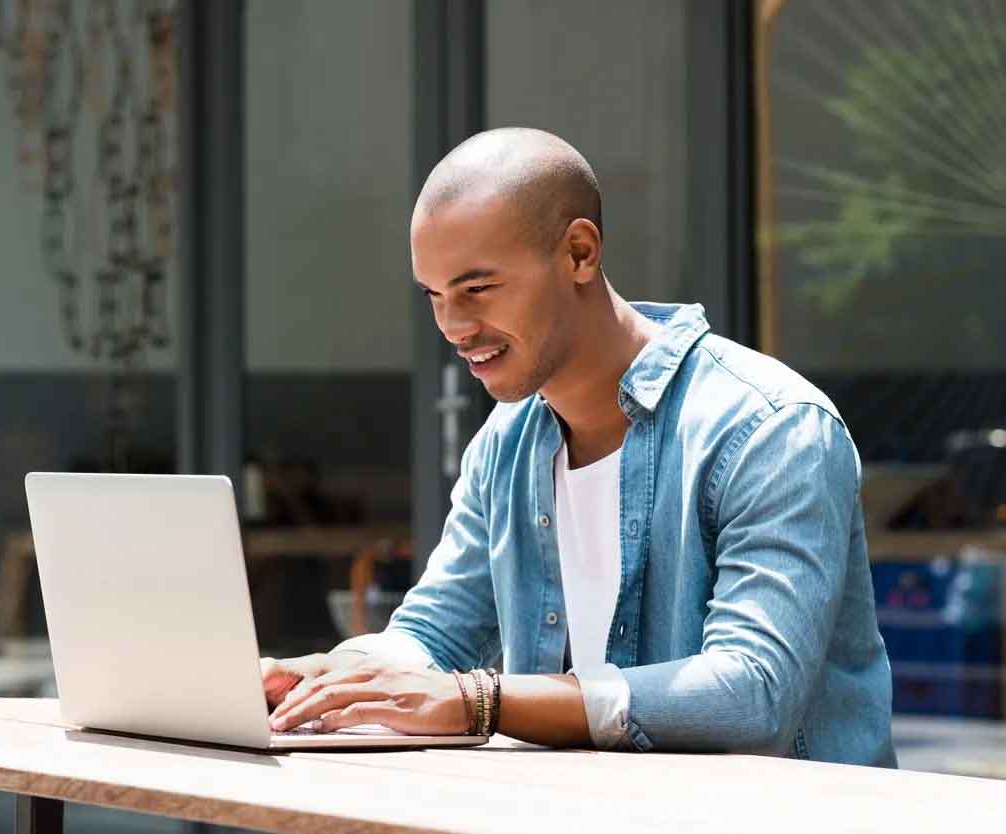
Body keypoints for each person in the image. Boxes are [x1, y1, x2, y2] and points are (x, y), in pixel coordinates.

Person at [262, 127, 896, 766]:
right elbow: (435, 634)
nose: (452, 326)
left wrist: (482, 700)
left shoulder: (770, 428)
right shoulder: (506, 446)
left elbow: (754, 692)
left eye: (477, 289)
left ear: (579, 253)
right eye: (435, 295)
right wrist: (330, 678)